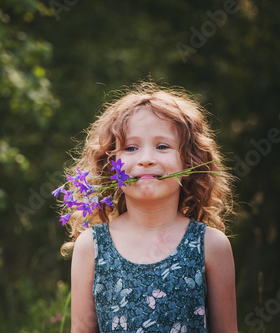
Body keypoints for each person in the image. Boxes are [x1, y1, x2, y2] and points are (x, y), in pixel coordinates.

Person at [60, 81, 237, 332]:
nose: (145, 160)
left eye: (162, 146)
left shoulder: (211, 245)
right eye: (131, 148)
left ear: (189, 162)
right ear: (111, 165)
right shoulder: (91, 247)